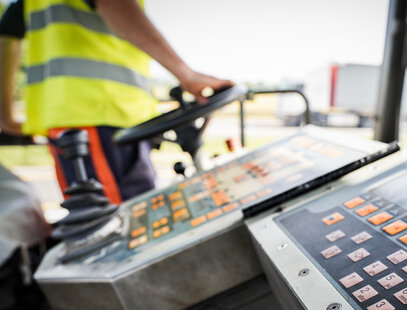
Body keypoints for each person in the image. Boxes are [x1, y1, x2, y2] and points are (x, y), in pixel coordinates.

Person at [0, 0, 234, 203]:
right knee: (124, 232)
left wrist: (5, 116)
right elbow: (113, 4)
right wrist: (186, 74)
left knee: (104, 224)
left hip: (76, 123)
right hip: (97, 120)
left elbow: (6, 34)